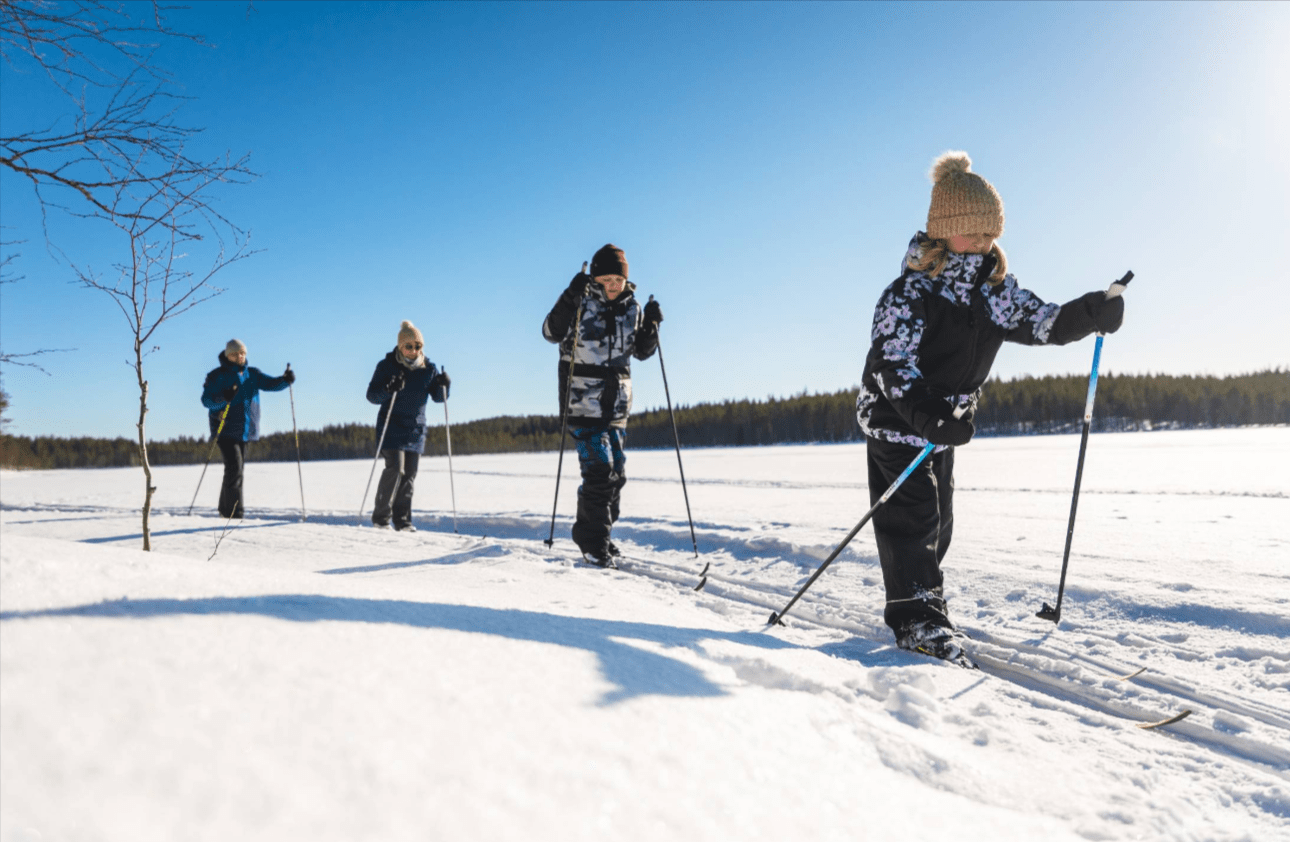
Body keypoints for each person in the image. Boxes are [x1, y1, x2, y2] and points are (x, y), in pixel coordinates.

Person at [856, 151, 1125, 662]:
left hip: (945, 425)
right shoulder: (909, 294)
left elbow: (1043, 321)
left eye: (989, 235)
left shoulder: (992, 294)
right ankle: (917, 620)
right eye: (972, 233)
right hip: (898, 422)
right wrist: (928, 416)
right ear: (942, 229)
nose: (982, 245)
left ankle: (928, 600)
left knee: (940, 521)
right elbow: (893, 366)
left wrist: (1095, 312)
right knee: (911, 520)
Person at [542, 244, 663, 567]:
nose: (612, 285)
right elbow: (550, 332)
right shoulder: (580, 301)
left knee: (617, 474)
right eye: (605, 278)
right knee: (600, 471)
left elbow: (641, 352)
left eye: (617, 279)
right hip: (582, 401)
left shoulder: (632, 308)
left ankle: (602, 536)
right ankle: (592, 542)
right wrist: (569, 295)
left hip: (617, 407)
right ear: (595, 278)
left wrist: (651, 327)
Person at [365, 320, 450, 531]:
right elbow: (372, 396)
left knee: (409, 475)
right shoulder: (386, 366)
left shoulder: (428, 369)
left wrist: (445, 385)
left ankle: (402, 521)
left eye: (417, 346)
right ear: (400, 347)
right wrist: (388, 388)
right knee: (396, 469)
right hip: (391, 427)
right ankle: (381, 519)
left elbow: (440, 398)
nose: (413, 351)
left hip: (415, 429)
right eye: (408, 346)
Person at [200, 339, 295, 519]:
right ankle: (234, 513)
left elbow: (271, 384)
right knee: (235, 469)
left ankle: (224, 509)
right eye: (235, 354)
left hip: (247, 431)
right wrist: (222, 397)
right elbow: (206, 400)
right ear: (228, 356)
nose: (240, 356)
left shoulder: (252, 374)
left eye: (242, 353)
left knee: (235, 470)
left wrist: (285, 380)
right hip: (225, 429)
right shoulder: (217, 376)